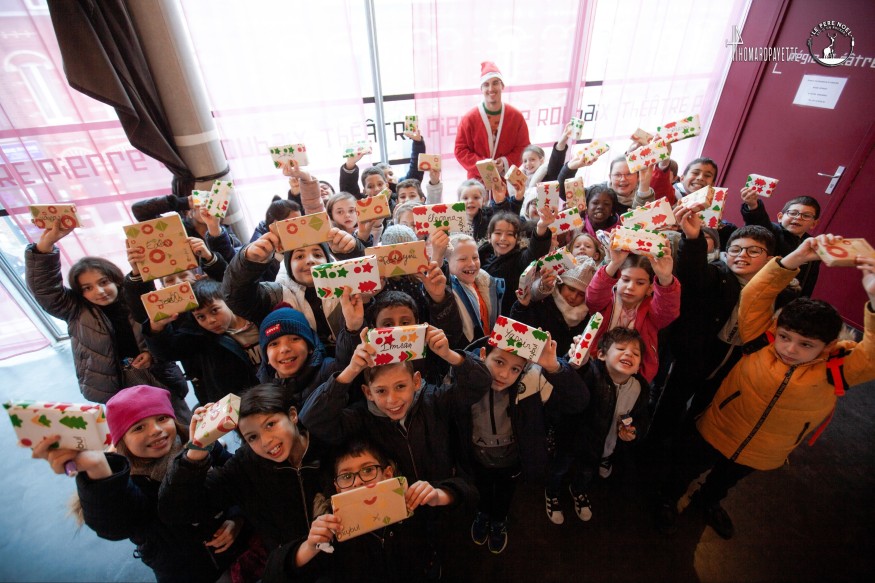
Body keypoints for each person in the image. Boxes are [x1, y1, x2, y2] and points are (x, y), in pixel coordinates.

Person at [657, 237, 875, 540]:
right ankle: (669, 498)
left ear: (828, 346)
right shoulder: (761, 338)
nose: (790, 349)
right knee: (687, 467)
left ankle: (708, 501)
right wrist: (795, 258)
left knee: (726, 480)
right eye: (786, 337)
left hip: (766, 449)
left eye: (806, 345)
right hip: (720, 427)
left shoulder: (838, 367)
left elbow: (872, 355)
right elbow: (756, 295)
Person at [33, 385, 245, 582]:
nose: (155, 430)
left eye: (162, 418)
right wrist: (99, 470)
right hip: (190, 573)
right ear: (121, 440)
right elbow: (115, 523)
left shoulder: (201, 444)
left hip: (242, 550)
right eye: (138, 427)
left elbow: (238, 482)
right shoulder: (127, 481)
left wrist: (237, 517)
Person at [160, 384, 328, 580]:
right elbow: (174, 510)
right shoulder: (245, 466)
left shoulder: (327, 441)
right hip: (290, 567)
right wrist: (197, 449)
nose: (266, 441)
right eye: (253, 437)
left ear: (292, 415)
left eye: (270, 424)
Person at [25, 223, 190, 420]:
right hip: (114, 384)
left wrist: (151, 354)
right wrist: (46, 246)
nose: (99, 291)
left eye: (103, 282)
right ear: (79, 292)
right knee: (135, 426)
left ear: (115, 279)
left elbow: (162, 333)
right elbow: (45, 289)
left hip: (156, 375)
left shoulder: (135, 298)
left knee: (179, 419)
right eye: (87, 288)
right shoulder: (76, 310)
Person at [263, 437, 451, 581]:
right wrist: (309, 547)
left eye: (368, 470)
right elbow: (272, 574)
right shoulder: (333, 527)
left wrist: (438, 496)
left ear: (387, 474)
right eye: (346, 477)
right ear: (338, 488)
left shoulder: (409, 502)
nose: (358, 482)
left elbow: (463, 496)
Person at [465, 335, 567, 553]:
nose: (504, 375)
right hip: (478, 456)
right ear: (483, 355)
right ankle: (483, 513)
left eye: (515, 369)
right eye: (499, 362)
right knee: (482, 489)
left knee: (505, 492)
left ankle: (499, 519)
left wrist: (555, 368)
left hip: (511, 459)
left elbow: (575, 401)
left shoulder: (526, 385)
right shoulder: (469, 382)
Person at [545, 328, 650, 524]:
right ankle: (552, 492)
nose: (629, 354)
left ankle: (578, 491)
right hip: (571, 440)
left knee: (586, 473)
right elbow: (572, 379)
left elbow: (641, 417)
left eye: (636, 353)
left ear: (638, 367)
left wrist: (635, 430)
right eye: (621, 349)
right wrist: (576, 359)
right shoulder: (591, 374)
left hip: (601, 447)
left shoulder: (640, 389)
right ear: (601, 355)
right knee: (559, 469)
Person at [221, 225, 361, 352]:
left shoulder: (346, 287)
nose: (310, 260)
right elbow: (237, 298)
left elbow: (368, 276)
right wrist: (248, 261)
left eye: (317, 255)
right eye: (299, 256)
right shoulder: (276, 296)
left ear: (328, 260)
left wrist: (351, 252)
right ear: (288, 266)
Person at [143, 279, 261, 405]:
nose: (210, 320)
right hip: (240, 404)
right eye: (201, 317)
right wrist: (157, 326)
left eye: (214, 310)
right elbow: (166, 352)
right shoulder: (202, 338)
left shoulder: (258, 318)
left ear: (228, 302)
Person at [584, 246, 680, 384]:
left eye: (640, 283)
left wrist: (665, 278)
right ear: (617, 280)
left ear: (650, 288)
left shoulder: (652, 311)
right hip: (594, 366)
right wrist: (614, 264)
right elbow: (592, 298)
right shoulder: (605, 302)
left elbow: (667, 312)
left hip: (633, 376)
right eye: (625, 279)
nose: (630, 287)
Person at [454, 61, 530, 179]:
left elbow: (524, 147)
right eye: (486, 84)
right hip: (477, 183)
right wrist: (485, 166)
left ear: (502, 86)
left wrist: (504, 162)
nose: (491, 89)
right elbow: (460, 150)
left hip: (507, 180)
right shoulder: (469, 119)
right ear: (481, 88)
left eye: (495, 83)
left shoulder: (516, 117)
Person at [741, 193, 822, 297]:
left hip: (791, 298)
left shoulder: (812, 245)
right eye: (793, 213)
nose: (798, 217)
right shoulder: (772, 232)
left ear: (814, 224)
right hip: (759, 293)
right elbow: (759, 222)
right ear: (780, 217)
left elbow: (809, 280)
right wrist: (753, 206)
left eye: (806, 216)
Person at [479, 210, 555, 315]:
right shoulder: (480, 255)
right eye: (498, 233)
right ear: (489, 236)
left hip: (507, 318)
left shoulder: (520, 259)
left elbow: (535, 252)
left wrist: (541, 227)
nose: (503, 238)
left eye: (510, 234)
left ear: (517, 239)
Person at [131, 191, 242, 263]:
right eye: (202, 204)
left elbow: (234, 262)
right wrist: (183, 202)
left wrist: (214, 228)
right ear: (189, 213)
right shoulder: (176, 228)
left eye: (215, 206)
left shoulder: (226, 234)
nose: (208, 209)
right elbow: (139, 210)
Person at [445, 233, 505, 346]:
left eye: (475, 257)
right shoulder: (445, 292)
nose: (471, 264)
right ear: (447, 262)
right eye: (463, 259)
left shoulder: (488, 283)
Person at [458, 179, 523, 241]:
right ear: (459, 201)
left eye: (476, 197)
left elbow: (509, 220)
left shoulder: (490, 217)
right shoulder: (455, 220)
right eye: (465, 198)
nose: (470, 201)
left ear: (483, 200)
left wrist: (516, 200)